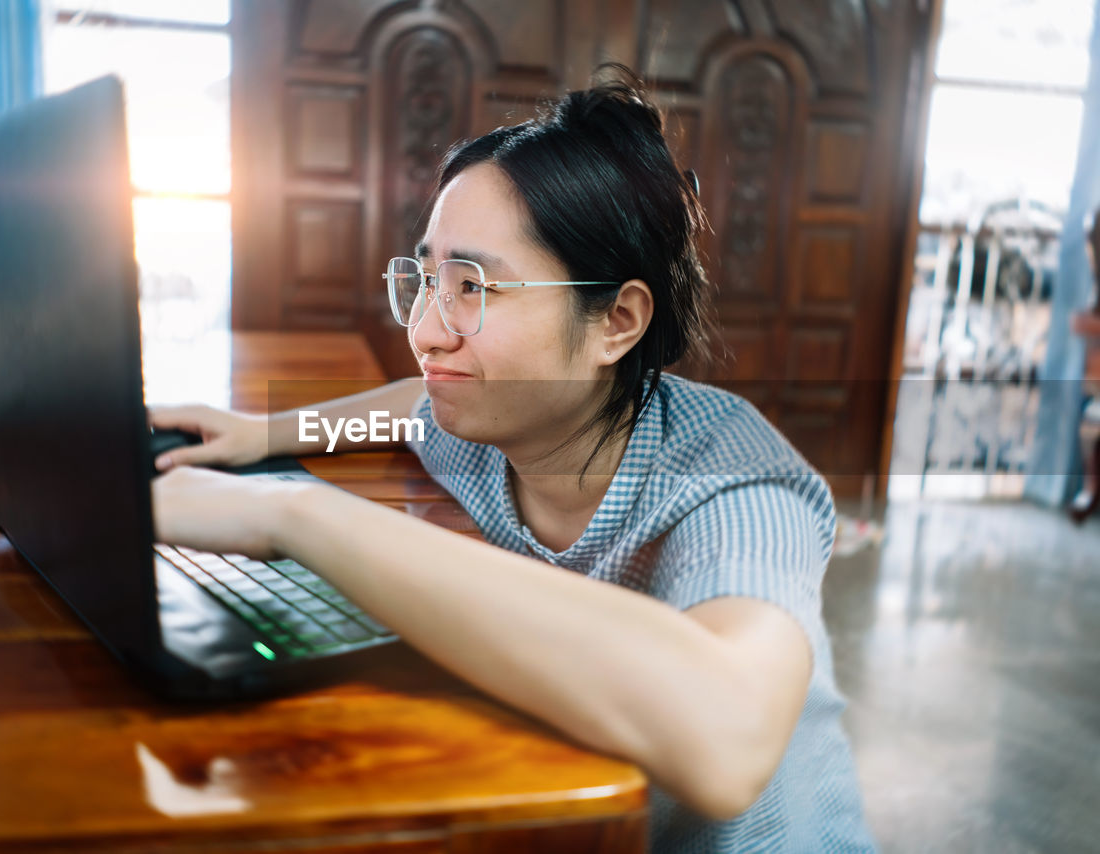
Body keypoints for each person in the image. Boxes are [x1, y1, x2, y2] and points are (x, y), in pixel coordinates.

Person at [149, 66, 877, 853]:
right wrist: (263, 437)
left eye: (472, 287)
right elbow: (409, 405)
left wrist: (288, 512)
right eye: (427, 279)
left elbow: (728, 739)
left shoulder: (733, 483)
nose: (426, 331)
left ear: (616, 323)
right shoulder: (495, 424)